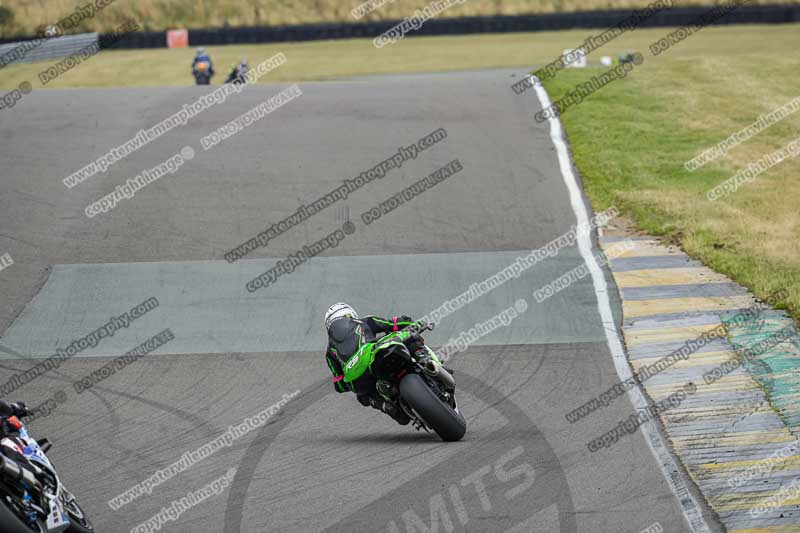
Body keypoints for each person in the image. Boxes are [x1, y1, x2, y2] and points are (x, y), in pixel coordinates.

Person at [324, 303, 426, 425]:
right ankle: (425, 360)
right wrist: (413, 323)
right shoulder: (364, 321)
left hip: (356, 379)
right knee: (408, 335)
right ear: (349, 313)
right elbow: (393, 324)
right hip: (373, 354)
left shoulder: (329, 351)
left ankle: (386, 406)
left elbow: (339, 384)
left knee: (362, 396)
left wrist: (347, 381)